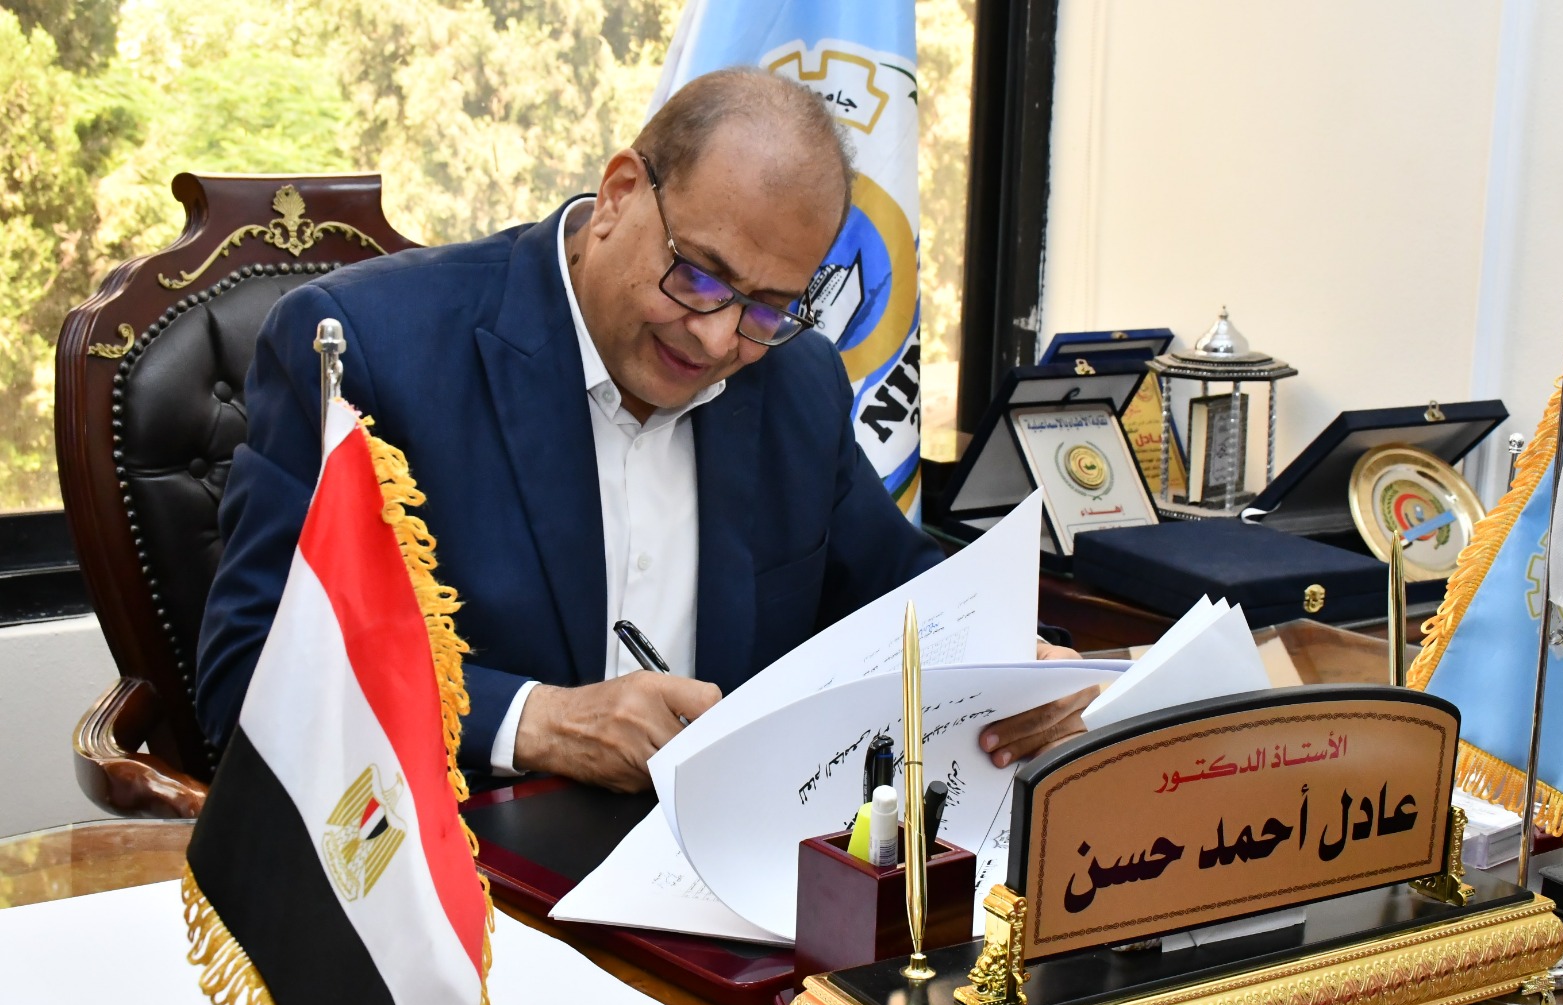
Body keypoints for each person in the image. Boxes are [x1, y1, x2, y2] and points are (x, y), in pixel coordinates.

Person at [195, 67, 1095, 793]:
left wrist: (1015, 663)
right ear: (621, 193)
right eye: (699, 276)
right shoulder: (369, 350)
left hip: (724, 879)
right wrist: (536, 721)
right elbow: (250, 676)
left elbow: (901, 592)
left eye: (768, 307)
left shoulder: (795, 381)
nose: (717, 337)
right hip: (467, 880)